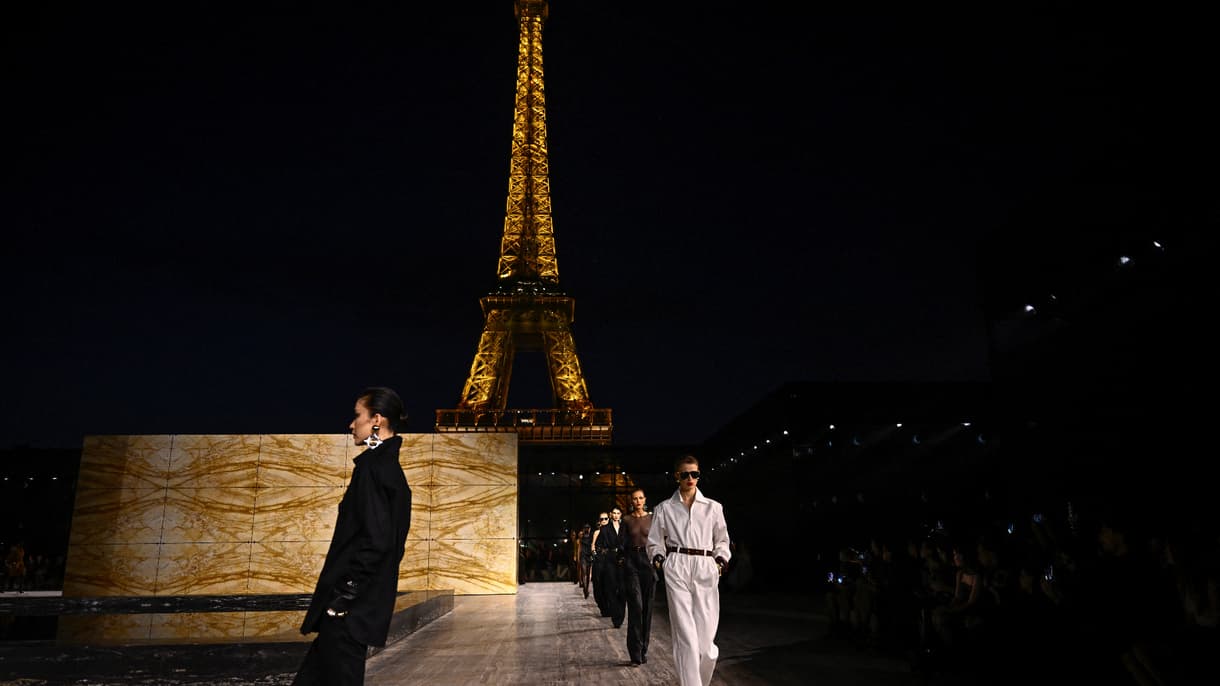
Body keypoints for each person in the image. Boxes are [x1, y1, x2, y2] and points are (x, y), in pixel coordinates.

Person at [293, 387, 413, 686]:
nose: (350, 424)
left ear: (377, 420)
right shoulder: (384, 467)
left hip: (349, 611)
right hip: (358, 607)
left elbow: (378, 541)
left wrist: (344, 597)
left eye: (357, 416)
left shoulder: (374, 470)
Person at [648, 455, 731, 686]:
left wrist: (720, 560)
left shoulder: (714, 507)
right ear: (677, 476)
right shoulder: (664, 508)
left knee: (706, 646)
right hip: (677, 565)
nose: (690, 478)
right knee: (685, 637)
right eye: (685, 474)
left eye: (695, 474)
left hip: (706, 566)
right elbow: (655, 541)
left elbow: (722, 540)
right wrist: (659, 560)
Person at [621, 488, 657, 666]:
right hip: (632, 562)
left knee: (647, 608)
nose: (638, 501)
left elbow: (659, 540)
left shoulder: (652, 518)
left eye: (641, 498)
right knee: (636, 606)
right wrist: (624, 562)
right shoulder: (626, 520)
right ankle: (635, 653)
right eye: (634, 499)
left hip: (648, 562)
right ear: (631, 501)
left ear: (645, 499)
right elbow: (622, 543)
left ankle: (644, 650)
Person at [594, 506, 626, 627]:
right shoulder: (605, 529)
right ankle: (615, 617)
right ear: (611, 514)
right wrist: (605, 553)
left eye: (618, 513)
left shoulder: (624, 527)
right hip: (610, 560)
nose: (616, 515)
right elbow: (598, 545)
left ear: (621, 515)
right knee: (611, 588)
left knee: (622, 589)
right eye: (614, 513)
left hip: (623, 560)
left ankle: (620, 615)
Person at [590, 512, 609, 612]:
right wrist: (594, 553)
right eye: (602, 519)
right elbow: (593, 545)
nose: (604, 521)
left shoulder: (613, 531)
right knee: (598, 583)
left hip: (610, 559)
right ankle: (603, 606)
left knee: (610, 583)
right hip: (600, 559)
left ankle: (609, 606)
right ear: (599, 521)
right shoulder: (597, 532)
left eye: (606, 519)